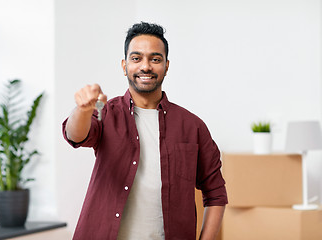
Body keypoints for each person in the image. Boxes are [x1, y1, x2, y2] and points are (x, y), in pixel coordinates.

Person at [62, 22, 228, 240]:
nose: (146, 66)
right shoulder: (107, 113)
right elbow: (75, 135)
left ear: (167, 65)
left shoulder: (192, 126)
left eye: (155, 59)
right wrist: (82, 110)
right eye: (136, 58)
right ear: (124, 65)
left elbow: (215, 193)